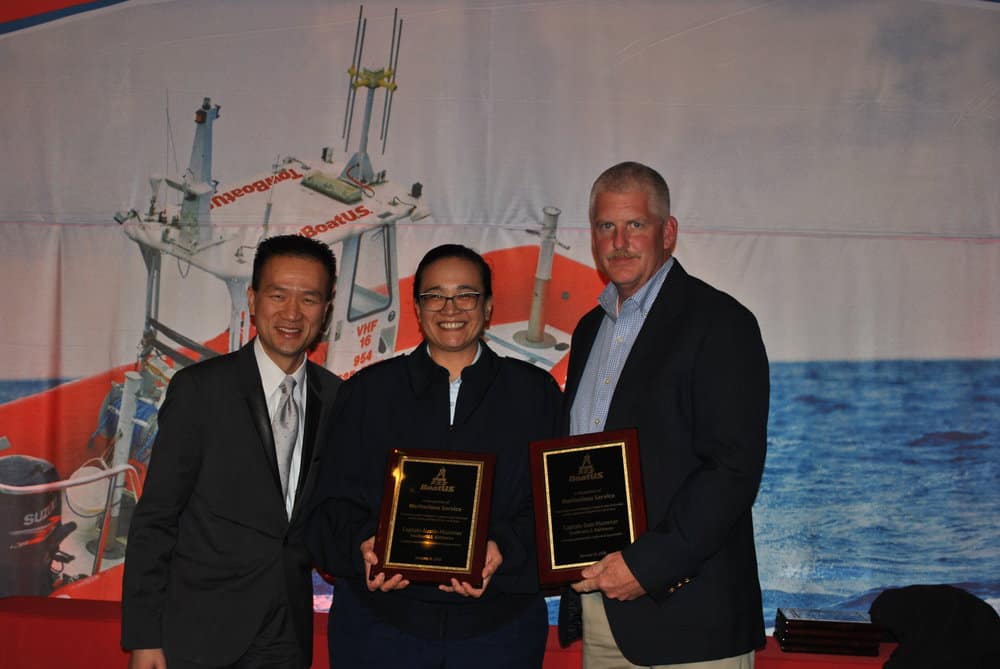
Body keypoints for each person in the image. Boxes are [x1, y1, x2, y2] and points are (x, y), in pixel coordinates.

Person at [306, 244, 561, 669]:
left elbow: (556, 514)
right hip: (380, 631)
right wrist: (363, 546)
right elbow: (328, 507)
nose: (450, 308)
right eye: (435, 295)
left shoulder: (535, 394)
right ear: (418, 307)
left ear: (489, 306)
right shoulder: (368, 392)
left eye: (466, 294)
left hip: (499, 634)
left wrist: (505, 550)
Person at [562, 162, 769, 668]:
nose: (620, 241)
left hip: (689, 615)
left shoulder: (721, 323)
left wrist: (647, 567)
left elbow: (732, 469)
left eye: (636, 224)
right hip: (601, 609)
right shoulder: (590, 330)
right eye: (606, 226)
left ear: (667, 232)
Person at [121, 234, 342, 669]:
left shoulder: (337, 398)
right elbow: (156, 516)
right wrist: (144, 636)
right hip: (202, 631)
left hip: (287, 633)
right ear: (254, 299)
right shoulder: (200, 390)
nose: (292, 313)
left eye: (309, 299)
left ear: (326, 310)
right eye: (279, 295)